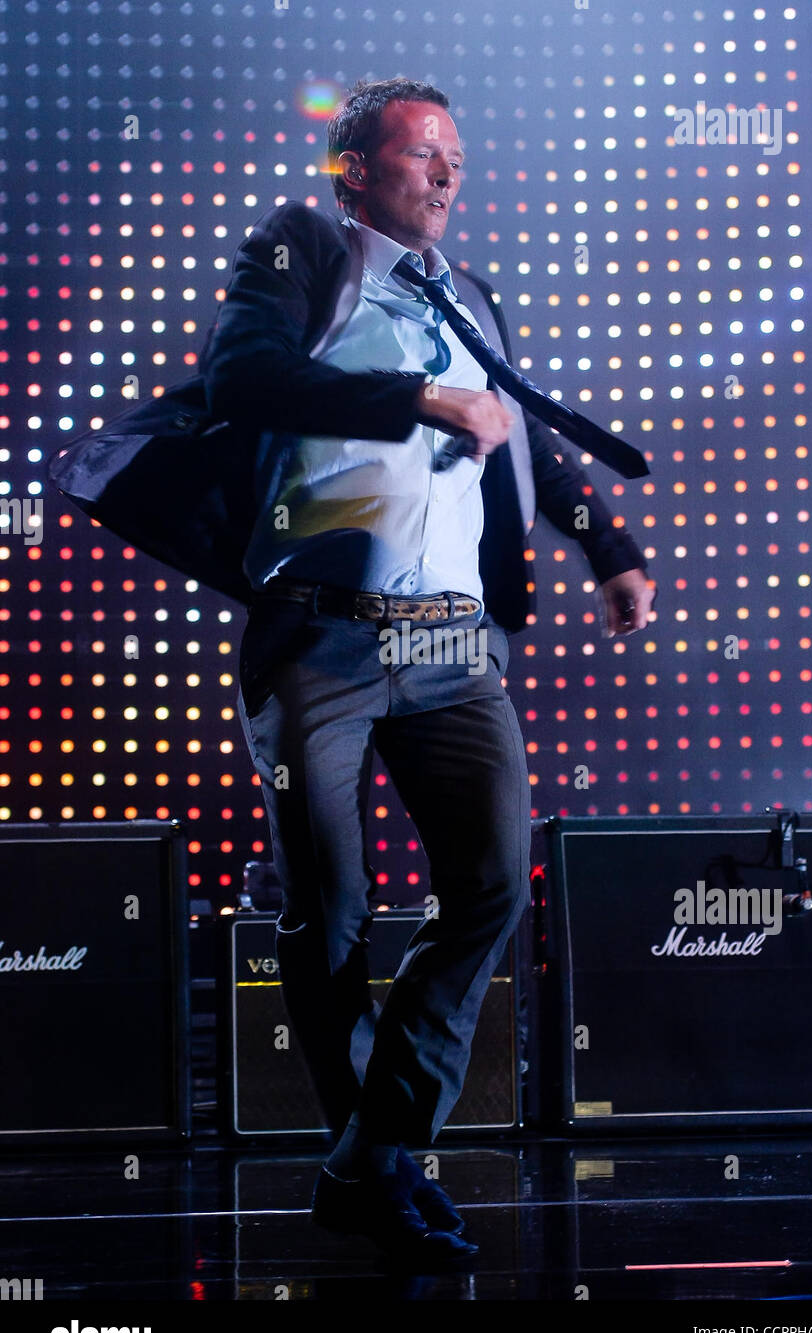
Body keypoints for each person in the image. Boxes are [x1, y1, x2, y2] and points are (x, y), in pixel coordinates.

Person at [201, 76, 656, 1267]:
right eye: (423, 154)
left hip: (451, 638)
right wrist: (413, 397)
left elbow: (522, 431)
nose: (449, 173)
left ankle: (370, 1154)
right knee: (331, 908)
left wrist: (604, 545)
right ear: (354, 168)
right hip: (321, 631)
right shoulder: (303, 249)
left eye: (456, 155)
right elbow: (241, 379)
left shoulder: (466, 295)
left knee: (494, 887)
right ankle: (380, 1166)